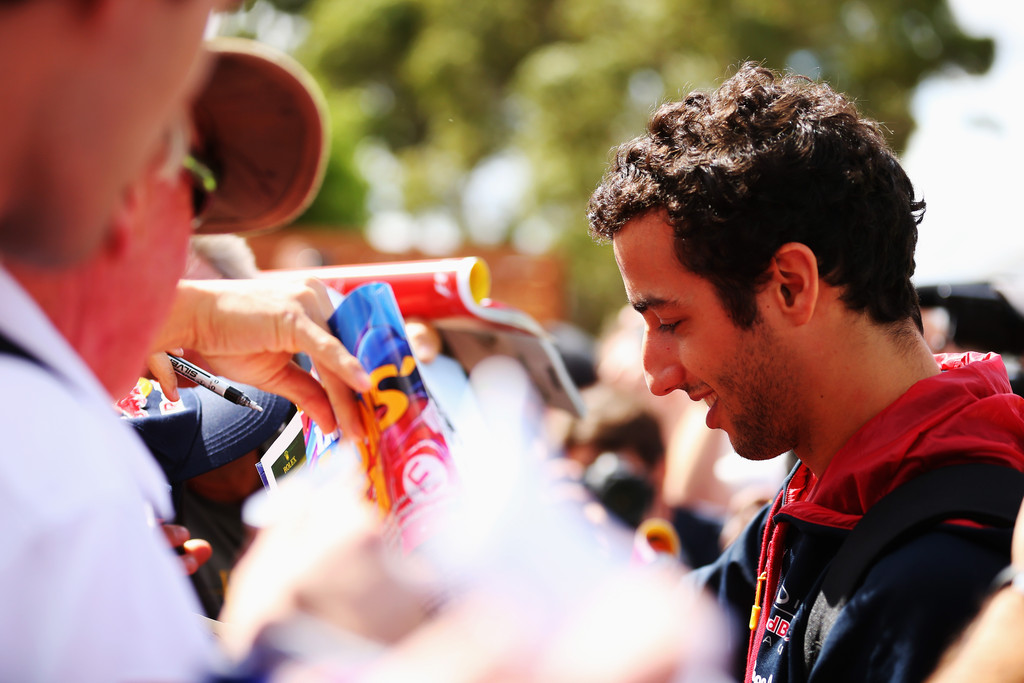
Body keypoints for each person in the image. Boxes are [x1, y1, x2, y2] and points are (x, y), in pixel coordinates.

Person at [587, 61, 1024, 683]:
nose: (654, 375)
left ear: (791, 286)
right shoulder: (829, 488)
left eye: (670, 322)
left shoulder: (937, 572)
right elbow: (657, 630)